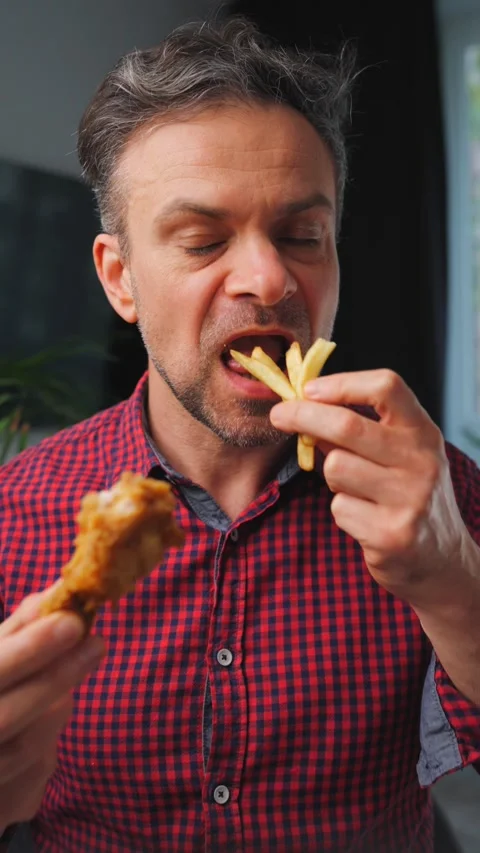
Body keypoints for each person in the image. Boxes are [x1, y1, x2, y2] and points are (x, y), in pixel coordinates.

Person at [0, 16, 479, 853]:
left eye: (303, 235)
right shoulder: (14, 514)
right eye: (202, 240)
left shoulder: (443, 492)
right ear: (121, 280)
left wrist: (454, 586)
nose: (268, 278)